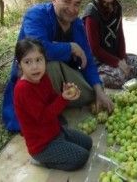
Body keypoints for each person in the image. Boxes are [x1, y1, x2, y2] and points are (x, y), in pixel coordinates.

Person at [2, 0, 113, 132]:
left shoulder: (76, 25)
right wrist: (70, 47)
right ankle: (45, 112)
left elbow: (87, 58)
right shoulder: (35, 15)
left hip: (62, 74)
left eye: (76, 4)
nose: (71, 9)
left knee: (90, 94)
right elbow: (39, 49)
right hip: (33, 79)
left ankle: (59, 101)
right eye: (66, 1)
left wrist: (99, 90)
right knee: (46, 64)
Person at [13, 38, 92, 171]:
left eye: (39, 60)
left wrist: (66, 93)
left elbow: (52, 99)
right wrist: (63, 99)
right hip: (42, 145)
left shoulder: (43, 77)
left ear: (45, 59)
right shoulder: (23, 89)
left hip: (55, 131)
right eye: (28, 62)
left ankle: (61, 145)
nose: (35, 66)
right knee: (81, 157)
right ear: (20, 64)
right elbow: (44, 116)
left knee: (88, 143)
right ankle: (43, 161)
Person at [83, 0, 137, 89]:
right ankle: (95, 77)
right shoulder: (92, 13)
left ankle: (120, 72)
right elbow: (95, 49)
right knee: (119, 76)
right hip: (98, 61)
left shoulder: (116, 7)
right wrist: (118, 63)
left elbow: (120, 35)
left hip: (113, 54)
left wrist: (122, 59)